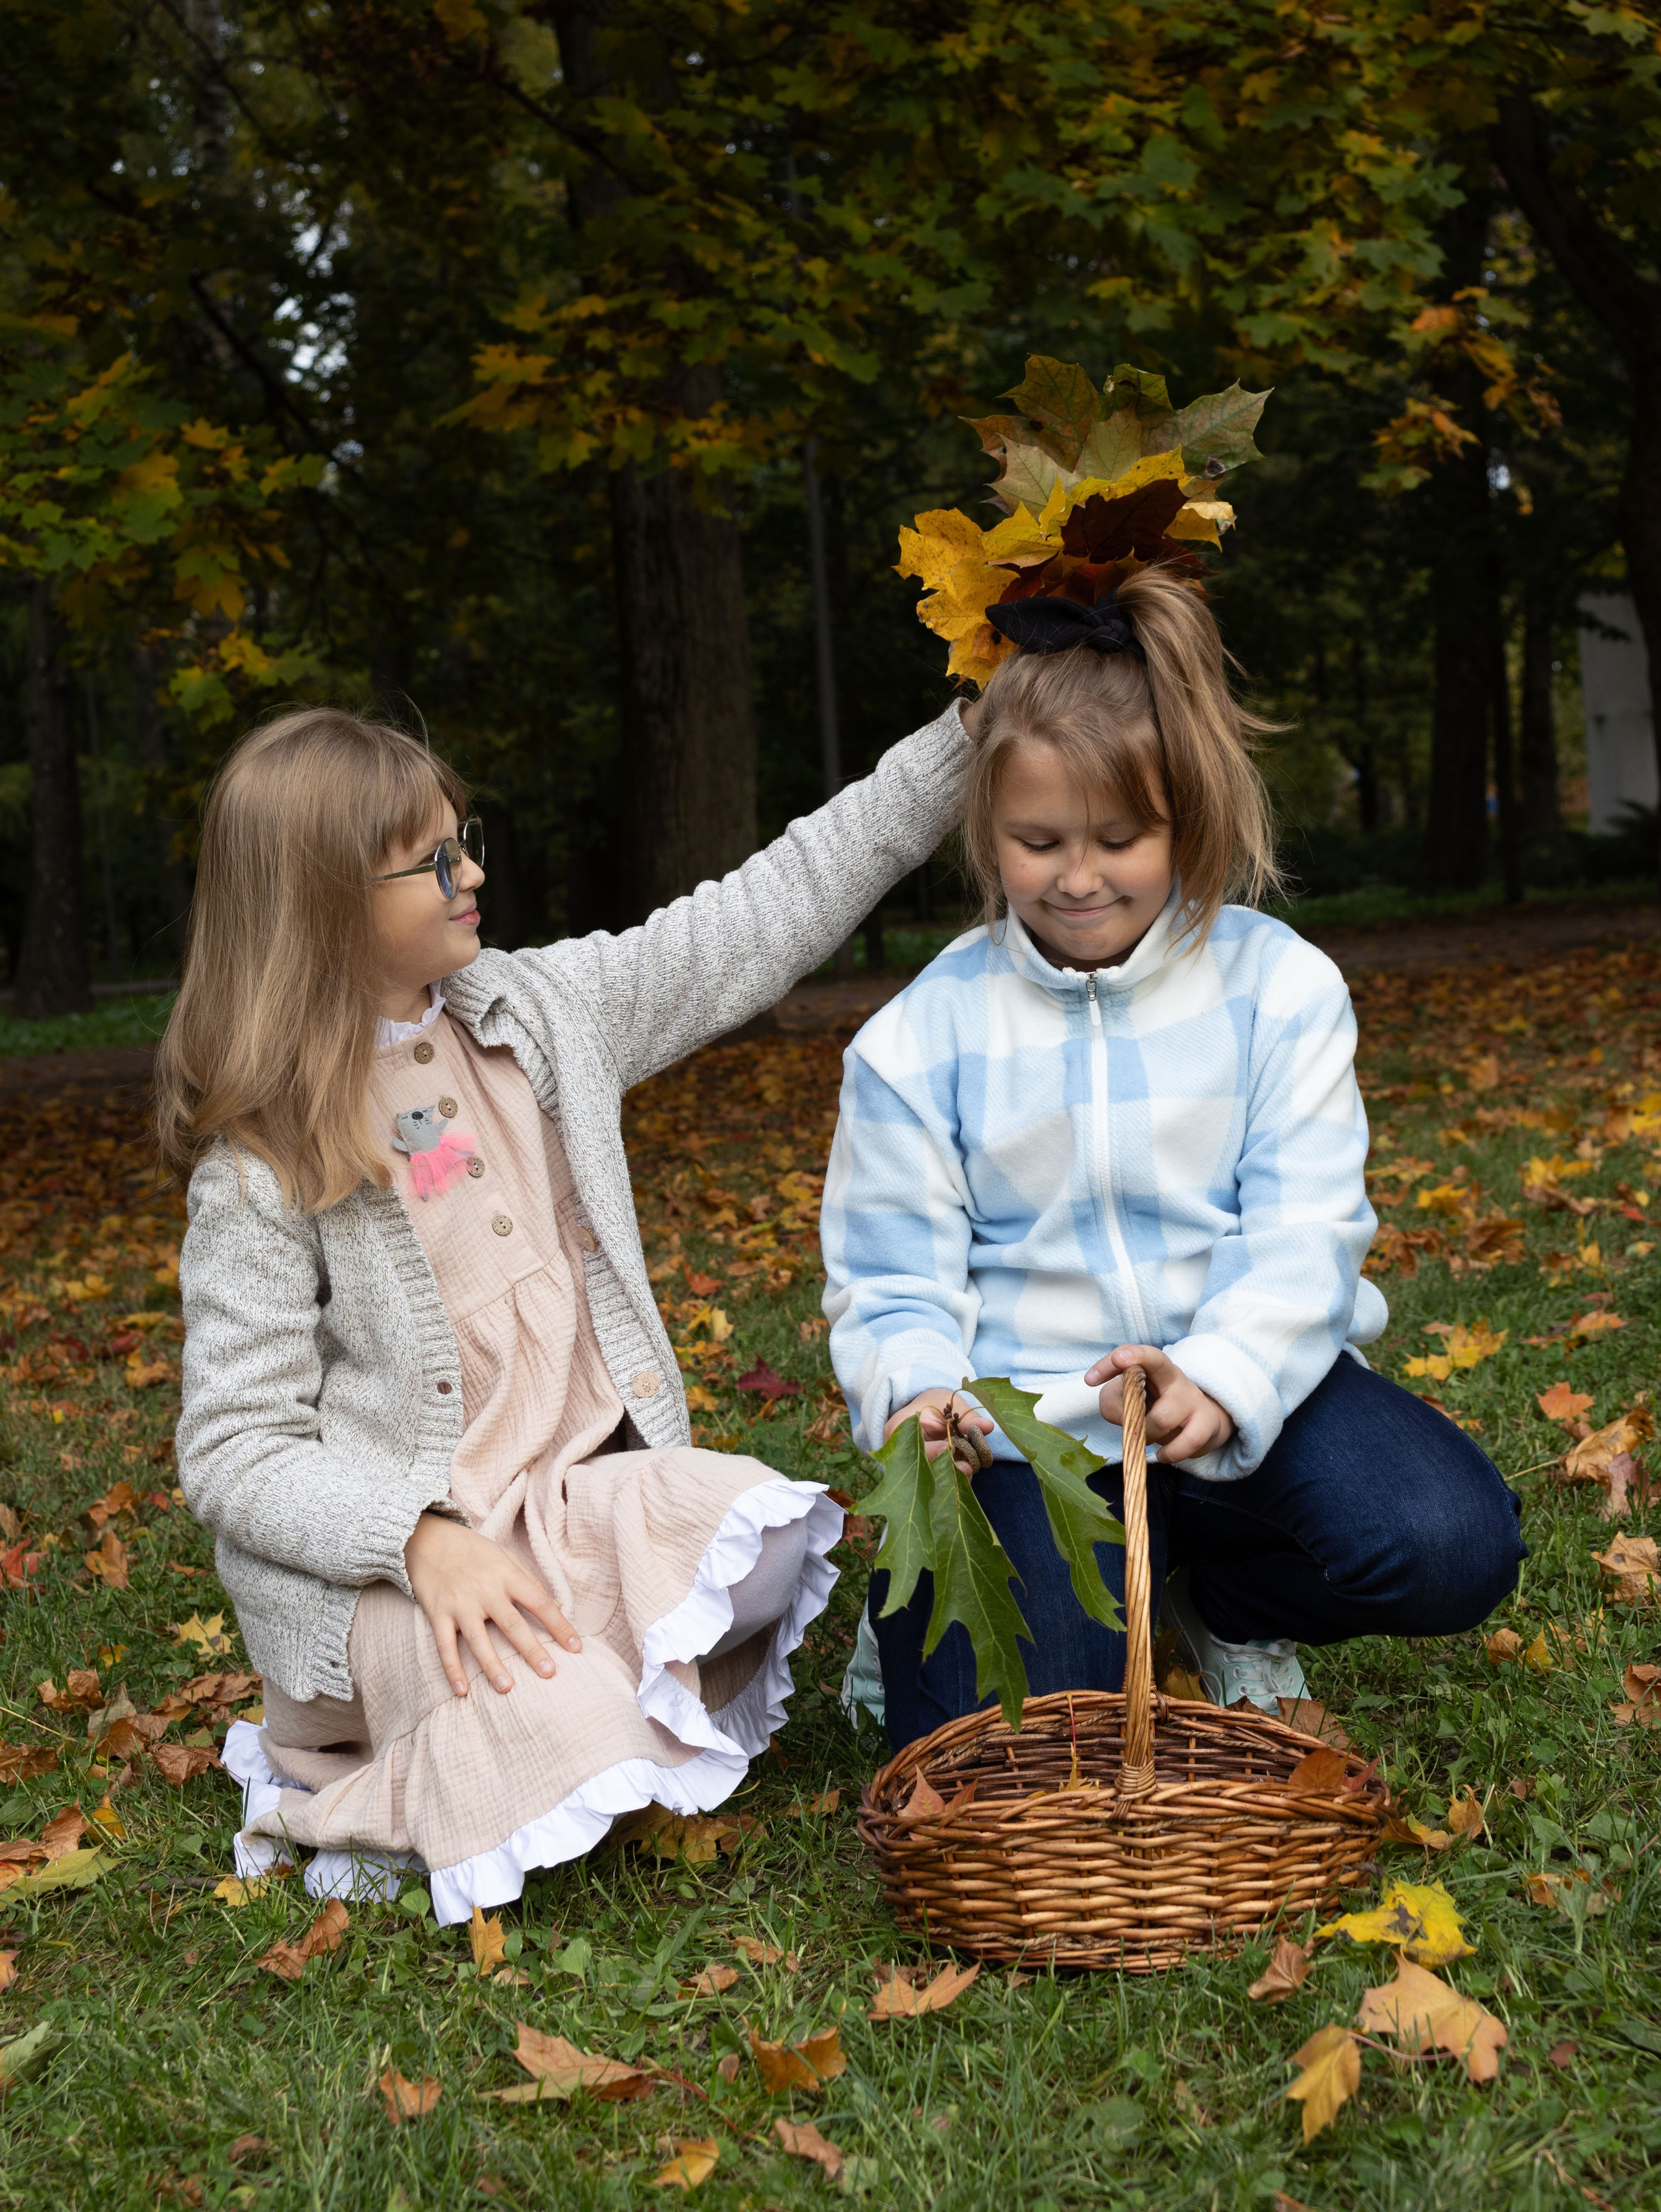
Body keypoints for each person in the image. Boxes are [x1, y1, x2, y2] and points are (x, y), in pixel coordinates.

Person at [160, 699, 969, 1920]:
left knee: (753, 1532)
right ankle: (371, 1763)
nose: (472, 871)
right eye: (433, 861)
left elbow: (760, 911)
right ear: (324, 903)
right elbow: (232, 1450)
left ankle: (573, 1660)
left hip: (572, 1500)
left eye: (463, 837)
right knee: (574, 1749)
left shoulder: (541, 1012)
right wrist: (418, 1539)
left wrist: (968, 730)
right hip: (407, 1573)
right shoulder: (260, 1164)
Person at [820, 568, 1525, 1753]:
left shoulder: (1279, 988)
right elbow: (892, 1278)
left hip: (1247, 1395)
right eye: (1036, 840)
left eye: (1120, 838)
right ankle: (963, 1597)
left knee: (1445, 1540)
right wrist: (921, 1391)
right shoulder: (915, 1039)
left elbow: (1306, 1231)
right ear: (986, 831)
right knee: (1040, 1738)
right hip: (1030, 1435)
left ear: (1186, 819)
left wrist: (1227, 1372)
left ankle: (1226, 1596)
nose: (1079, 876)